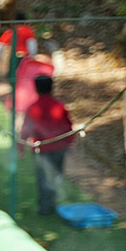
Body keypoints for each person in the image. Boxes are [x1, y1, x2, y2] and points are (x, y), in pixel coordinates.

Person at [20, 74, 74, 216]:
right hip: (60, 147)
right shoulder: (59, 106)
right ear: (52, 87)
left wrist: (21, 147)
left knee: (43, 178)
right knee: (56, 175)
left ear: (36, 88)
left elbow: (26, 128)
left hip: (42, 149)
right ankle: (55, 202)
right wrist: (69, 142)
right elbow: (68, 126)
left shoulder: (33, 107)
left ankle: (45, 207)